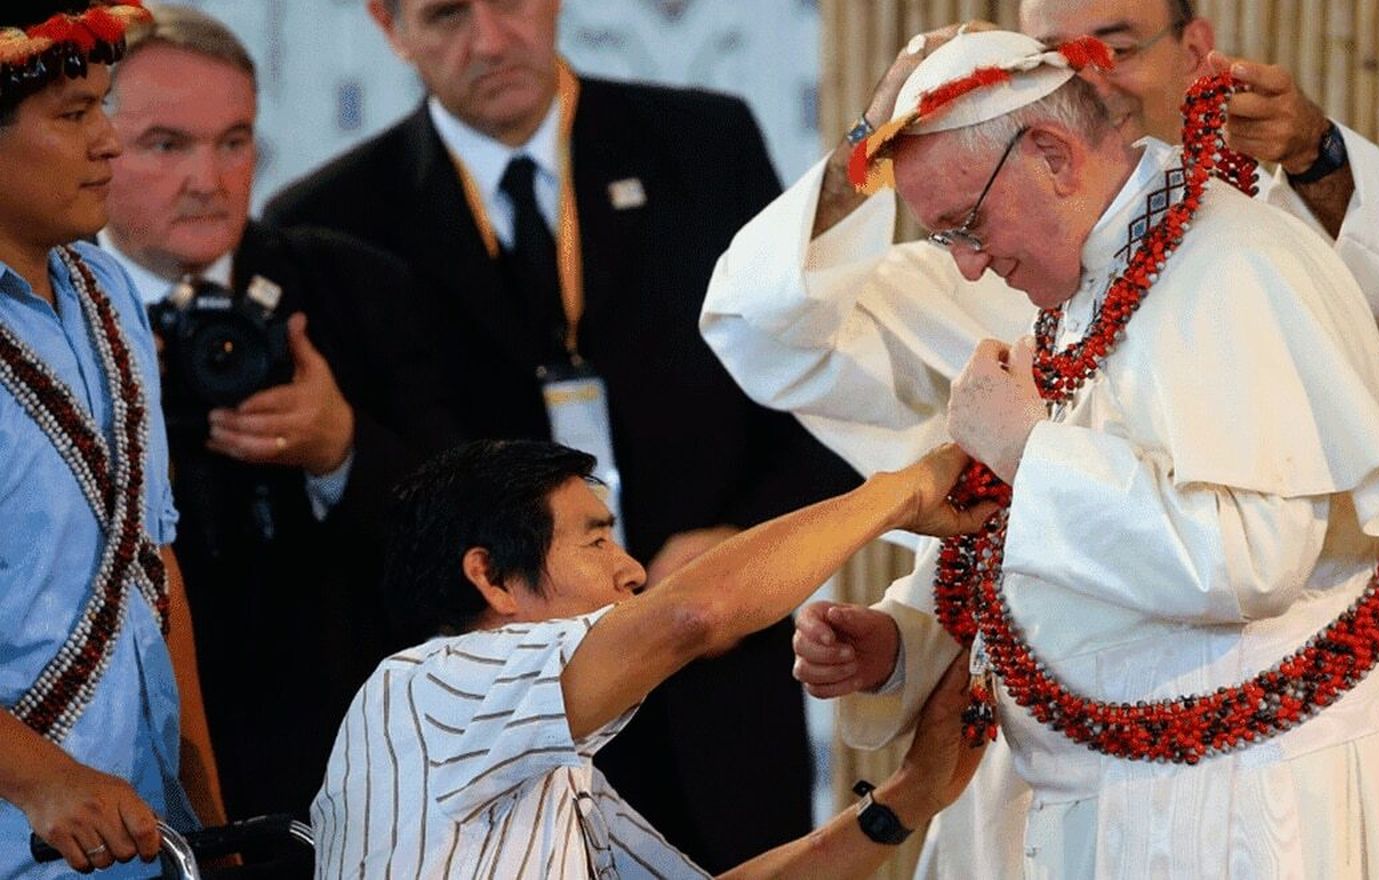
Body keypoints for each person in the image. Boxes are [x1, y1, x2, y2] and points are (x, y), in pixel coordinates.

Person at [699, 3, 1379, 876]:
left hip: (1248, 808)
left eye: (966, 227)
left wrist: (1029, 451)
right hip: (1099, 792)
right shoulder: (1076, 279)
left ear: (1052, 154)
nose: (965, 263)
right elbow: (1037, 539)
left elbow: (1252, 556)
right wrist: (906, 643)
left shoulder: (1236, 263)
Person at [263, 0, 861, 868]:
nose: (492, 39)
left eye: (510, 2)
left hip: (720, 694)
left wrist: (740, 540)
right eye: (446, 16)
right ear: (389, 29)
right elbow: (378, 524)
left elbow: (818, 384)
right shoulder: (331, 219)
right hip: (506, 743)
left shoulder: (703, 140)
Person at [96, 4, 462, 825]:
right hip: (127, 778)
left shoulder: (353, 288)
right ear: (97, 142)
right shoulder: (58, 316)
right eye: (167, 145)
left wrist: (342, 450)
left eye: (234, 142)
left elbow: (474, 531)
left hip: (349, 771)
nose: (210, 179)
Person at [317, 438, 989, 879]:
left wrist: (905, 801)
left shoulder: (554, 767)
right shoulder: (423, 688)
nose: (632, 571)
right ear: (491, 579)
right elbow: (693, 614)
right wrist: (904, 492)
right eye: (595, 544)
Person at [0, 2, 226, 875]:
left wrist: (206, 812)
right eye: (72, 115)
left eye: (105, 107)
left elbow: (151, 567)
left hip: (145, 836)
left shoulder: (106, 289)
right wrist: (42, 779)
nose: (108, 142)